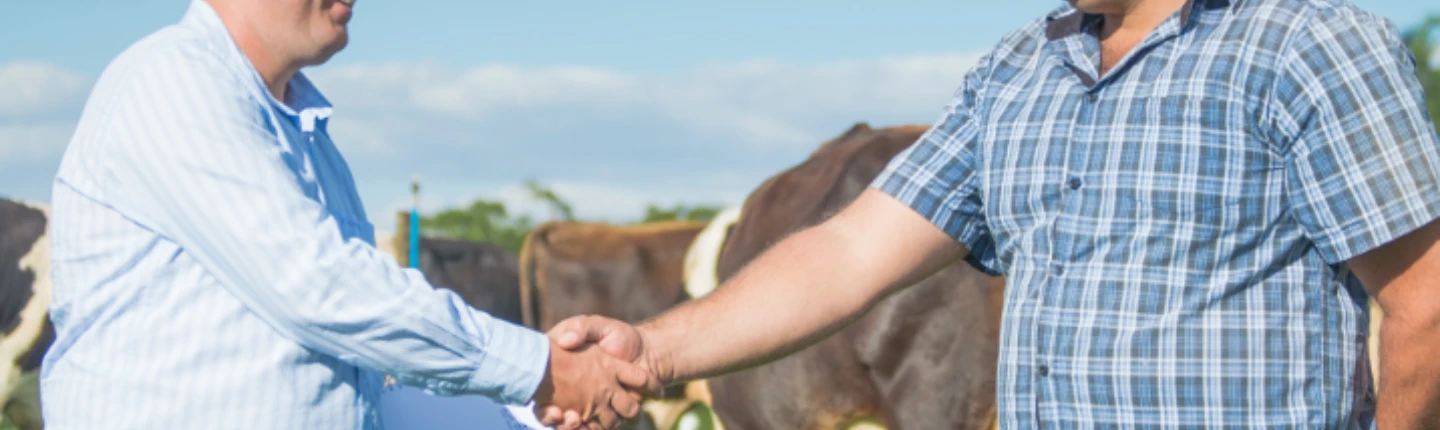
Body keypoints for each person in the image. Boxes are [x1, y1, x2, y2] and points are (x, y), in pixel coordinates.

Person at [543, 0, 1440, 428]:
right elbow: (852, 251)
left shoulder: (1307, 44)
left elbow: (1425, 301)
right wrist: (653, 350)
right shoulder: (1020, 70)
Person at [44, 0, 654, 428]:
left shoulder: (308, 136)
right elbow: (321, 291)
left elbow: (357, 382)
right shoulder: (173, 80)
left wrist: (530, 413)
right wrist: (540, 369)